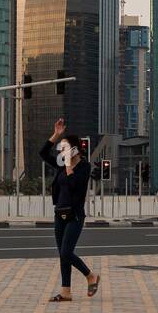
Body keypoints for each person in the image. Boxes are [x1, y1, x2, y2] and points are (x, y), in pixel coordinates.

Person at [40, 118, 100, 302]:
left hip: (75, 215)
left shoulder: (84, 167)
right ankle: (66, 291)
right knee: (62, 254)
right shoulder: (60, 165)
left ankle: (91, 276)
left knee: (67, 252)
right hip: (60, 213)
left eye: (65, 148)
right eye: (61, 148)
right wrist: (56, 135)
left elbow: (75, 184)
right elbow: (43, 153)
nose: (61, 151)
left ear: (75, 149)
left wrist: (67, 164)